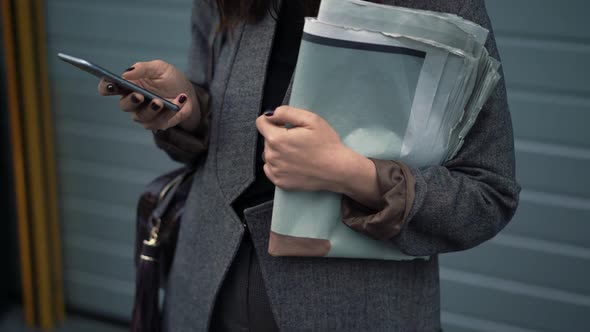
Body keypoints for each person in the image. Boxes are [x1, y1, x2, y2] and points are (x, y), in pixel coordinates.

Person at [98, 0, 520, 330]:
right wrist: (188, 108)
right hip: (203, 289)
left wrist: (351, 173)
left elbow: (488, 194)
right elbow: (221, 131)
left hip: (355, 309)